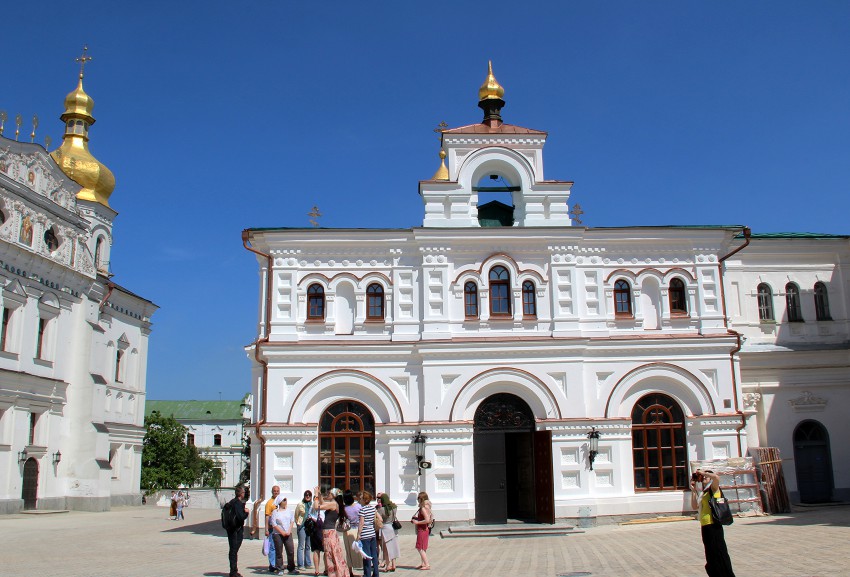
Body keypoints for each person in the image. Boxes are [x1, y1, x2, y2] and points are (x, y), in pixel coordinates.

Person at [690, 469, 737, 577]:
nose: (704, 478)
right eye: (703, 478)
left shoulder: (714, 488)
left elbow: (716, 477)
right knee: (710, 553)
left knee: (719, 552)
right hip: (705, 525)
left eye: (706, 477)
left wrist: (703, 472)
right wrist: (693, 490)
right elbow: (694, 506)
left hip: (713, 524)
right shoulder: (704, 492)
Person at [313, 486, 348, 577]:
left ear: (333, 495)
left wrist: (316, 495)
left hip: (329, 532)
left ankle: (335, 573)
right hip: (330, 531)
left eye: (329, 493)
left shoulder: (333, 504)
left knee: (330, 553)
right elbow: (323, 502)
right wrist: (319, 494)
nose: (328, 494)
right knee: (332, 553)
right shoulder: (334, 503)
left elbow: (316, 507)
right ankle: (336, 572)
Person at [224, 486, 250, 577]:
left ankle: (233, 570)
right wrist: (246, 512)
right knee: (234, 550)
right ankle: (233, 572)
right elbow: (241, 517)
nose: (244, 494)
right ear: (240, 494)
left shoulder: (232, 502)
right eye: (243, 492)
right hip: (236, 530)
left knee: (233, 550)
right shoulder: (238, 503)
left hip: (230, 529)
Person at [270, 496, 298, 575]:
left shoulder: (289, 511)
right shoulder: (275, 512)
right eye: (284, 500)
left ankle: (291, 567)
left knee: (291, 550)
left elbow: (292, 521)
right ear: (280, 502)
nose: (286, 501)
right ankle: (280, 568)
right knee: (279, 551)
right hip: (278, 534)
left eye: (286, 499)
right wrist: (282, 532)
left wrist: (289, 530)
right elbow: (274, 524)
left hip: (288, 533)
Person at [356, 491, 380, 577]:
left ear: (364, 500)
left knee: (366, 555)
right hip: (372, 533)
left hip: (365, 534)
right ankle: (376, 573)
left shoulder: (363, 509)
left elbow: (361, 523)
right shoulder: (373, 508)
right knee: (374, 554)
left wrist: (358, 534)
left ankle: (367, 574)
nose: (360, 500)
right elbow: (377, 519)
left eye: (361, 498)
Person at [341, 490, 362, 577]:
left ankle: (350, 571)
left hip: (347, 530)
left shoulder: (344, 508)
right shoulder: (358, 506)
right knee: (359, 550)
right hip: (357, 529)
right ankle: (361, 566)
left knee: (348, 551)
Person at [377, 493, 399, 572]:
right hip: (392, 527)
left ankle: (388, 565)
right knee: (393, 546)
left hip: (385, 528)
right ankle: (394, 564)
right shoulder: (394, 508)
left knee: (386, 548)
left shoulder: (381, 509)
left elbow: (379, 519)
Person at [411, 492, 432, 570]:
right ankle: (423, 563)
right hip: (425, 529)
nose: (417, 500)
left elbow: (426, 520)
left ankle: (427, 564)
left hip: (422, 529)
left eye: (418, 498)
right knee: (423, 547)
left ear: (421, 499)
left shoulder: (423, 508)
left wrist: (417, 522)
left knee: (419, 547)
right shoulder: (428, 506)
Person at [294, 490, 314, 570]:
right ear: (304, 495)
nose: (308, 496)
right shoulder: (300, 504)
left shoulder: (312, 505)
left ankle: (308, 563)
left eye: (309, 495)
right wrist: (298, 523)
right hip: (302, 526)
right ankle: (300, 564)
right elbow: (296, 515)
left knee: (308, 546)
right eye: (306, 495)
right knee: (301, 546)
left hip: (309, 526)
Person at [265, 485, 281, 573]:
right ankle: (272, 564)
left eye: (277, 491)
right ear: (272, 492)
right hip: (271, 528)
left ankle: (277, 564)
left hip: (279, 528)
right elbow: (267, 516)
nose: (276, 492)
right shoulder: (269, 503)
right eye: (274, 491)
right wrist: (266, 529)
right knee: (272, 546)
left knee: (278, 546)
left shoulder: (280, 501)